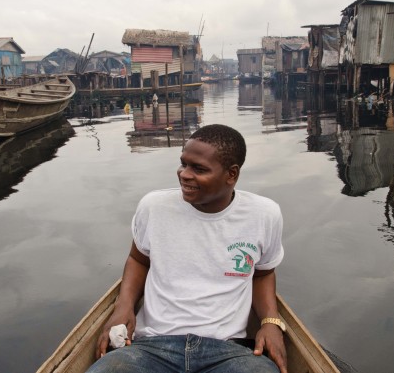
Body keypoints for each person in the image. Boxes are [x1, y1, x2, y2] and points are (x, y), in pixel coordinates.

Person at [88, 124, 287, 373]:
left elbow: (263, 273)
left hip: (229, 351)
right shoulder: (154, 206)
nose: (184, 174)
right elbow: (139, 260)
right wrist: (124, 307)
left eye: (199, 169)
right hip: (150, 346)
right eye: (183, 164)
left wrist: (270, 322)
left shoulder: (263, 215)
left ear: (231, 174)